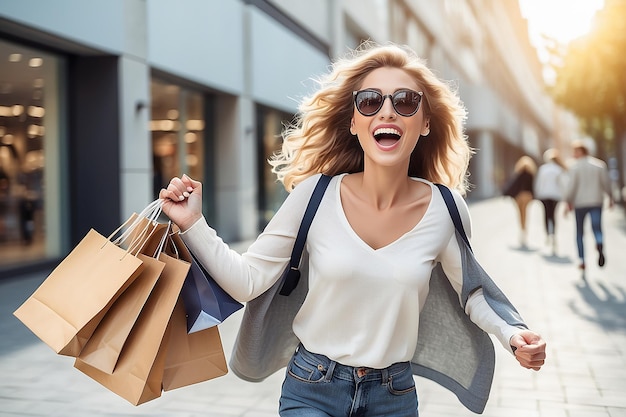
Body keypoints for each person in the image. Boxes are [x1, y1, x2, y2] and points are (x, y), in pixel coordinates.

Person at [160, 42, 546, 416]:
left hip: (393, 396)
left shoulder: (446, 209)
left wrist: (511, 333)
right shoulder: (314, 196)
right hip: (312, 388)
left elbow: (472, 293)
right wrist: (194, 223)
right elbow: (247, 281)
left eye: (406, 101)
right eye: (370, 101)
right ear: (354, 120)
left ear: (425, 122)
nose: (388, 112)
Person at [564, 139, 613, 271]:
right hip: (596, 201)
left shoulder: (575, 167)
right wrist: (611, 197)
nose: (573, 154)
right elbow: (606, 183)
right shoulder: (599, 165)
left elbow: (571, 186)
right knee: (597, 227)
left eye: (575, 151)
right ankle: (599, 243)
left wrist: (567, 201)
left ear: (580, 152)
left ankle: (582, 260)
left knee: (580, 232)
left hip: (580, 203)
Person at [534, 148, 567, 255]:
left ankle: (548, 233)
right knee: (553, 215)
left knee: (546, 214)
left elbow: (539, 183)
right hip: (556, 195)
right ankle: (553, 234)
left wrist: (537, 193)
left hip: (544, 195)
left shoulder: (543, 169)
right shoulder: (559, 169)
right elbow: (562, 184)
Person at [503, 155, 537, 247]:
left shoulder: (519, 173)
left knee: (520, 213)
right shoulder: (531, 174)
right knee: (526, 213)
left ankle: (521, 231)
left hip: (519, 196)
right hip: (527, 196)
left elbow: (514, 185)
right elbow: (532, 187)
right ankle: (524, 232)